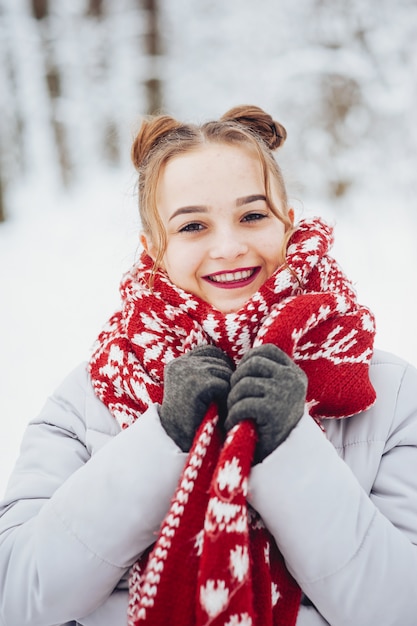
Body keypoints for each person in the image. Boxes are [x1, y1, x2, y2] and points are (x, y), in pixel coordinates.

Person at [0, 105, 416, 626]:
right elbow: (18, 593)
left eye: (252, 215)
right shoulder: (91, 395)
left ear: (288, 223)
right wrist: (162, 439)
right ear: (155, 250)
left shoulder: (388, 391)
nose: (228, 246)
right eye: (193, 225)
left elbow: (403, 607)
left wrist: (288, 449)